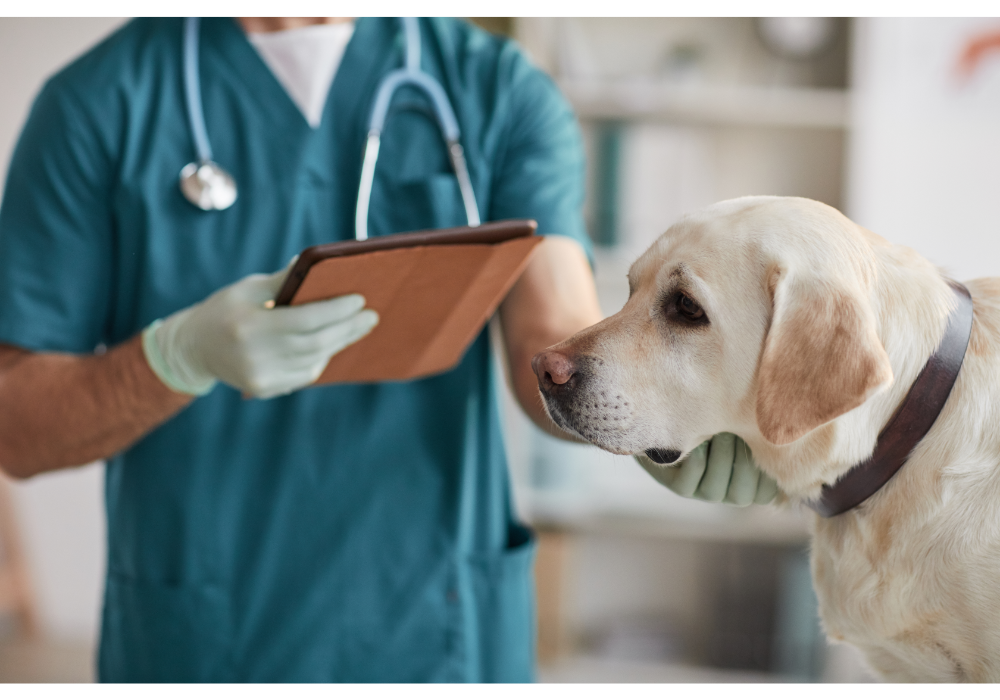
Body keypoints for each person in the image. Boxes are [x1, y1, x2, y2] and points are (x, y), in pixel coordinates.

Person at [0, 15, 769, 682]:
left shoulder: (496, 93)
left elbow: (552, 336)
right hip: (206, 640)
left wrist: (641, 412)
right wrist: (174, 357)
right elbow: (16, 425)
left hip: (433, 636)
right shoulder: (95, 107)